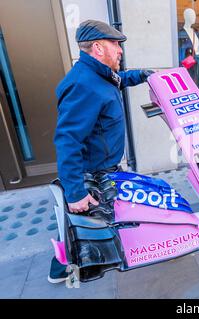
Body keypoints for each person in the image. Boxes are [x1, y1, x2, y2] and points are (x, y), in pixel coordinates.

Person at [48, 20, 154, 283]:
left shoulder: (100, 74)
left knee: (91, 224)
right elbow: (68, 140)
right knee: (84, 229)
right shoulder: (83, 84)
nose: (120, 50)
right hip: (93, 175)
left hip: (103, 169)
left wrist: (143, 75)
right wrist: (75, 192)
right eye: (115, 44)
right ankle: (62, 266)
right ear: (97, 47)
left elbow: (119, 81)